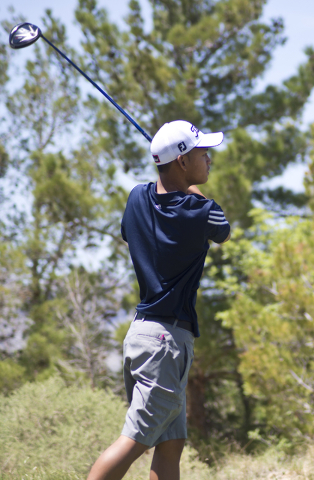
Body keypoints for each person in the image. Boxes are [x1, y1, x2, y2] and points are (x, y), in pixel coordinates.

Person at [87, 120, 231, 480]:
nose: (210, 158)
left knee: (171, 445)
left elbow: (130, 227)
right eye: (202, 152)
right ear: (181, 161)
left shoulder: (136, 197)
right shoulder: (202, 210)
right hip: (166, 344)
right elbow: (223, 231)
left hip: (142, 336)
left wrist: (173, 183)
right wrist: (191, 190)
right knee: (133, 442)